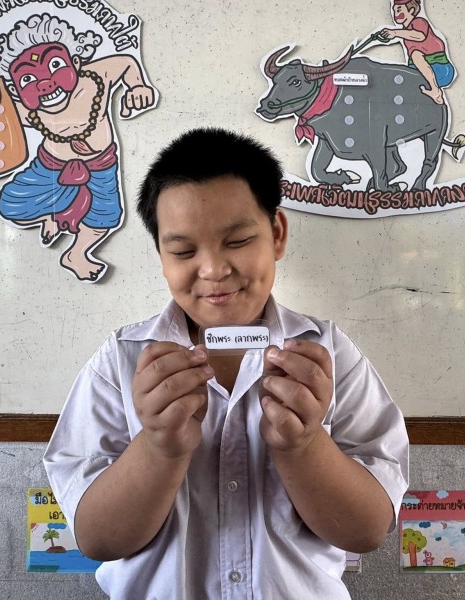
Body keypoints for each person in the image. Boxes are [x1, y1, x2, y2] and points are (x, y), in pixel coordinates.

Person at [43, 128, 409, 599]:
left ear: (276, 234)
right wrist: (159, 447)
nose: (214, 270)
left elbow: (367, 530)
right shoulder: (121, 361)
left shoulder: (330, 355)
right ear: (161, 256)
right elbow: (98, 540)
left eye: (237, 241)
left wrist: (303, 446)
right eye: (183, 251)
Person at [0, 13, 155, 281]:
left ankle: (76, 254)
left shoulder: (96, 79)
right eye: (27, 79)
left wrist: (138, 86)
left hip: (101, 165)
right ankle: (50, 217)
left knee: (106, 217)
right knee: (11, 204)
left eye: (54, 64)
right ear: (16, 91)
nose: (45, 83)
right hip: (50, 166)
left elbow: (126, 63)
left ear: (75, 62)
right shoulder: (25, 110)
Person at [379, 0, 455, 105]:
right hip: (421, 72)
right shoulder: (406, 32)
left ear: (411, 10)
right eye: (394, 10)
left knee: (415, 54)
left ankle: (435, 91)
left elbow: (420, 36)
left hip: (440, 68)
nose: (396, 14)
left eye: (399, 10)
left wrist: (395, 33)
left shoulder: (419, 22)